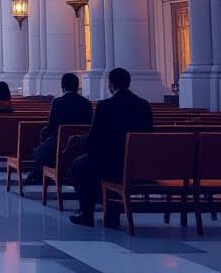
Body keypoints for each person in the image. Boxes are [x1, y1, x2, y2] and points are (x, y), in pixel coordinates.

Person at [69, 67, 153, 228]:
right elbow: (147, 135)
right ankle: (110, 205)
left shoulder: (105, 106)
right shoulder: (143, 105)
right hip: (139, 163)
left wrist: (82, 142)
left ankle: (87, 213)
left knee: (78, 166)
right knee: (90, 165)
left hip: (110, 163)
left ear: (111, 85)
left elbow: (94, 139)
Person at [26, 72, 92, 186]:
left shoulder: (58, 102)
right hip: (81, 144)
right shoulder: (86, 103)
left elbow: (51, 125)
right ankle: (38, 170)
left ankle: (38, 171)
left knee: (46, 144)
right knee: (47, 144)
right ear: (77, 86)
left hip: (60, 143)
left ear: (63, 86)